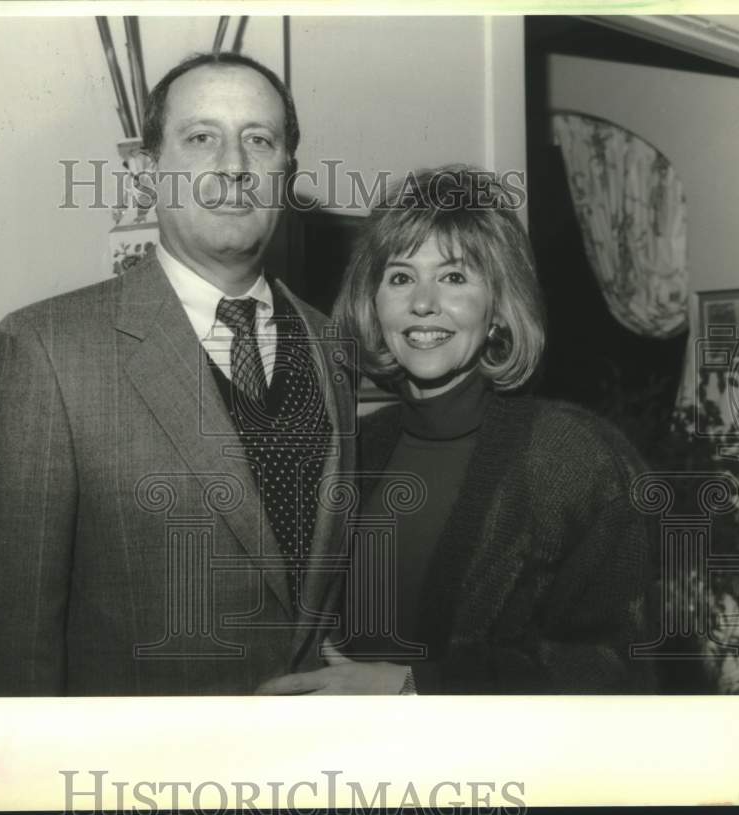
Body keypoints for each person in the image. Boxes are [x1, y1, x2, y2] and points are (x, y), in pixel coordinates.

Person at [0, 52, 356, 695]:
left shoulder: (331, 344)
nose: (233, 166)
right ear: (147, 173)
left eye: (259, 140)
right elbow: (6, 644)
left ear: (286, 173)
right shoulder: (46, 349)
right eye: (202, 138)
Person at [257, 166, 657, 695]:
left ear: (497, 310)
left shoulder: (577, 458)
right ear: (375, 307)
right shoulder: (354, 447)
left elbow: (621, 672)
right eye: (400, 277)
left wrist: (415, 687)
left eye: (453, 277)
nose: (423, 302)